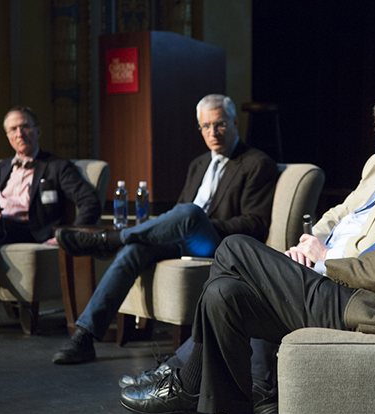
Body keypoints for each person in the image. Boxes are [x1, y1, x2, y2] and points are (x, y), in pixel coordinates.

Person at [119, 103, 375, 414]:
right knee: (225, 294)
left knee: (235, 248)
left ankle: (188, 384)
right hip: (364, 292)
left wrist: (329, 262)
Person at [51, 94, 280, 365]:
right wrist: (183, 223)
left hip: (220, 245)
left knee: (191, 213)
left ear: (234, 123)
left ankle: (110, 240)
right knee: (135, 249)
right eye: (205, 126)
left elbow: (254, 223)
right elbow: (179, 212)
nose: (212, 132)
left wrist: (199, 224)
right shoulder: (199, 164)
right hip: (185, 238)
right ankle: (86, 336)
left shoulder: (256, 163)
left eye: (219, 124)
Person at [0, 106, 102, 337]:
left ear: (38, 131)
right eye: (13, 129)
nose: (19, 133)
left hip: (29, 230)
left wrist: (67, 235)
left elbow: (89, 201)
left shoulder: (56, 167)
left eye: (25, 126)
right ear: (8, 136)